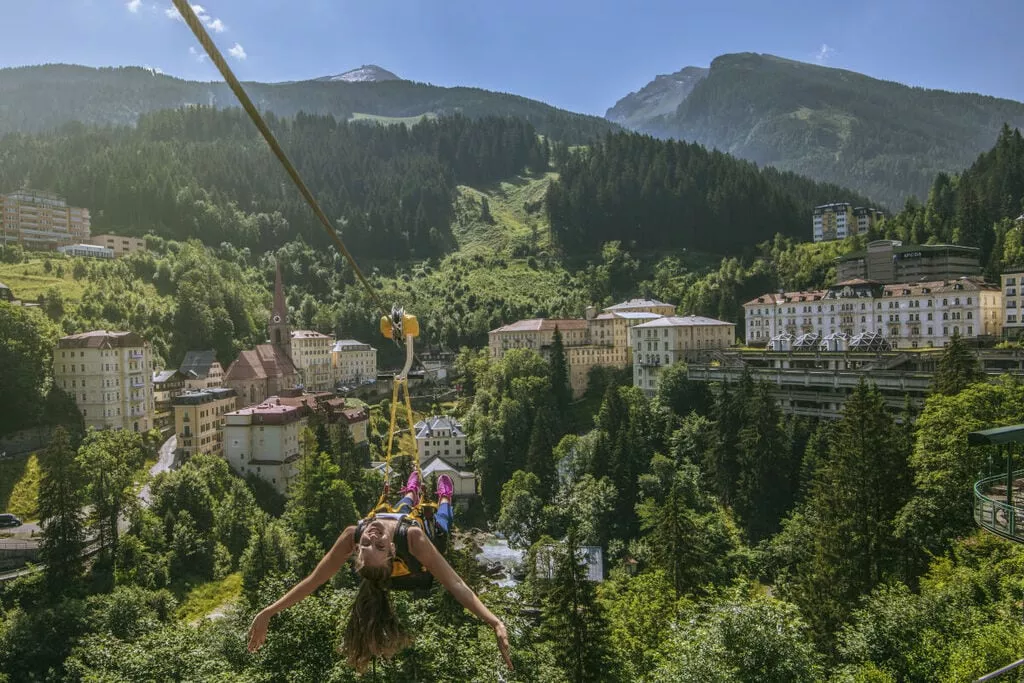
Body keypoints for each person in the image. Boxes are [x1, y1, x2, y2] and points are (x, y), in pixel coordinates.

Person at [246, 472, 513, 672]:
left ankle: (412, 491)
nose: (372, 536)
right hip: (422, 537)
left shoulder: (355, 533)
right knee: (441, 522)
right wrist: (494, 621)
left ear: (356, 548)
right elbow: (455, 584)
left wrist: (269, 611)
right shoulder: (413, 539)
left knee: (397, 509)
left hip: (398, 518)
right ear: (392, 550)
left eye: (367, 544)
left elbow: (314, 581)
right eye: (379, 545)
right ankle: (445, 497)